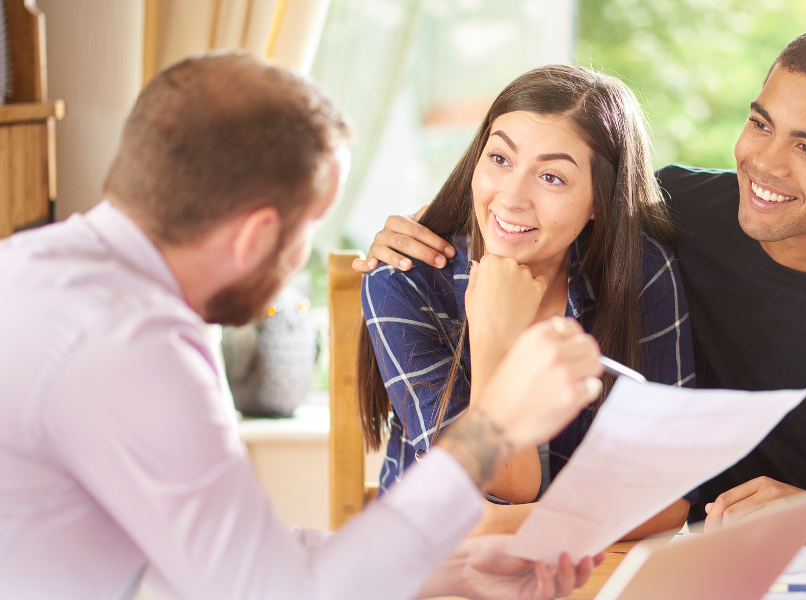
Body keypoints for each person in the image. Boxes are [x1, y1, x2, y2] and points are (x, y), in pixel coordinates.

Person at [353, 23, 806, 558]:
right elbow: (526, 198)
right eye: (760, 124)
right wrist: (416, 245)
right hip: (651, 553)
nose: (765, 163)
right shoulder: (671, 217)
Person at [0, 53, 605, 600]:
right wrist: (493, 427)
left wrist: (450, 570)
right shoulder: (132, 345)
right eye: (308, 231)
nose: (300, 263)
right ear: (257, 236)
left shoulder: (34, 271)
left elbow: (229, 558)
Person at [356, 65, 697, 538]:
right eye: (500, 159)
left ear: (600, 198)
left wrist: (501, 525)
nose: (511, 198)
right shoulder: (406, 281)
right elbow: (504, 486)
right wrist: (497, 337)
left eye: (552, 177)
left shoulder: (638, 273)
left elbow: (669, 499)